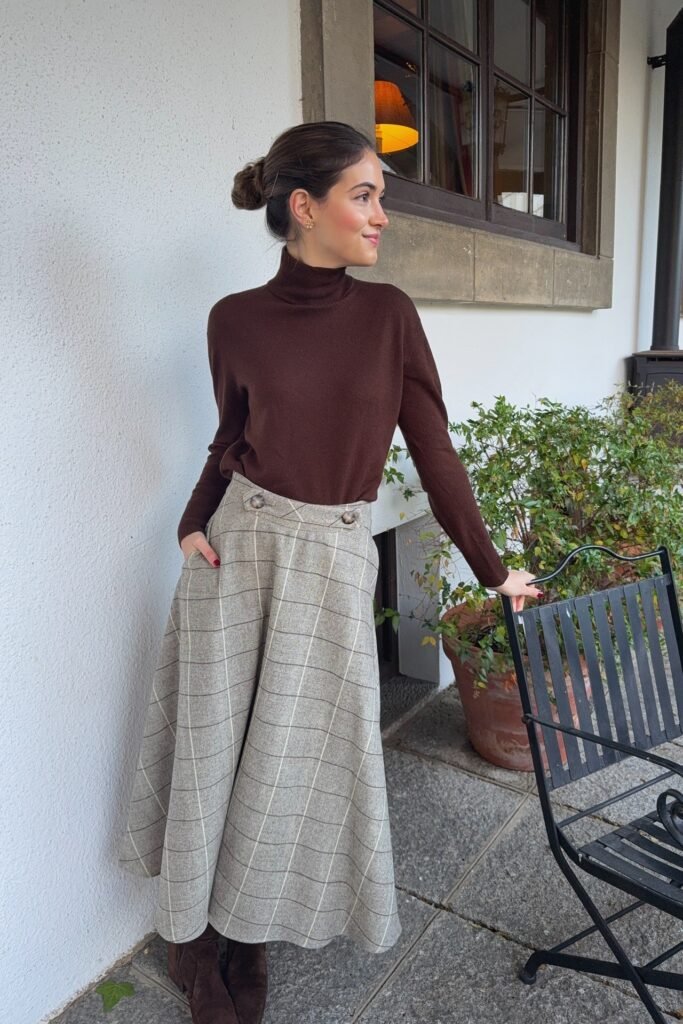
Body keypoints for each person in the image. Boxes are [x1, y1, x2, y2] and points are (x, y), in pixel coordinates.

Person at [117, 120, 543, 1024]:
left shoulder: (387, 316)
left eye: (380, 194)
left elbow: (435, 452)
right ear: (303, 207)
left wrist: (492, 570)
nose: (382, 213)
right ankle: (199, 944)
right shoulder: (232, 319)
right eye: (365, 194)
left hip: (333, 558)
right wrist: (191, 521)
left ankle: (247, 929)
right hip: (239, 550)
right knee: (216, 747)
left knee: (291, 757)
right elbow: (231, 439)